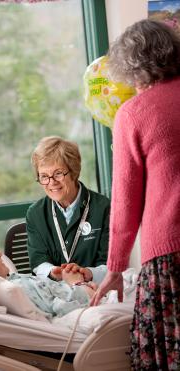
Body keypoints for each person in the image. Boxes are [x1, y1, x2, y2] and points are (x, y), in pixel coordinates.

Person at [90, 19, 180, 370]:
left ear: (130, 67)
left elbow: (126, 202)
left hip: (169, 254)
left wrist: (115, 267)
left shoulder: (134, 114)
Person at [26, 136, 110, 284]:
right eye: (44, 176)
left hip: (97, 288)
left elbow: (110, 262)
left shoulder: (103, 207)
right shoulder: (35, 214)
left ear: (74, 171)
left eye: (58, 173)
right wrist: (54, 272)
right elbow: (38, 261)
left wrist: (88, 273)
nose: (52, 182)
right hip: (55, 292)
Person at [0, 231, 97, 318]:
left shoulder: (13, 279)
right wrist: (78, 283)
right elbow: (62, 306)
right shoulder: (20, 286)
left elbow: (45, 291)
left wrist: (58, 279)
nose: (0, 254)